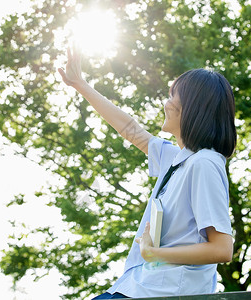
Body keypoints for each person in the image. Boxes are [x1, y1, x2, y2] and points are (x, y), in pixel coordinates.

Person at [58, 46, 236, 299]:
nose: (166, 102)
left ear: (193, 106)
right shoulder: (178, 160)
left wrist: (155, 253)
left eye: (173, 95)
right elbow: (130, 129)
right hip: (140, 285)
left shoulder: (204, 163)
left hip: (166, 291)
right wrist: (80, 85)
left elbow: (221, 248)